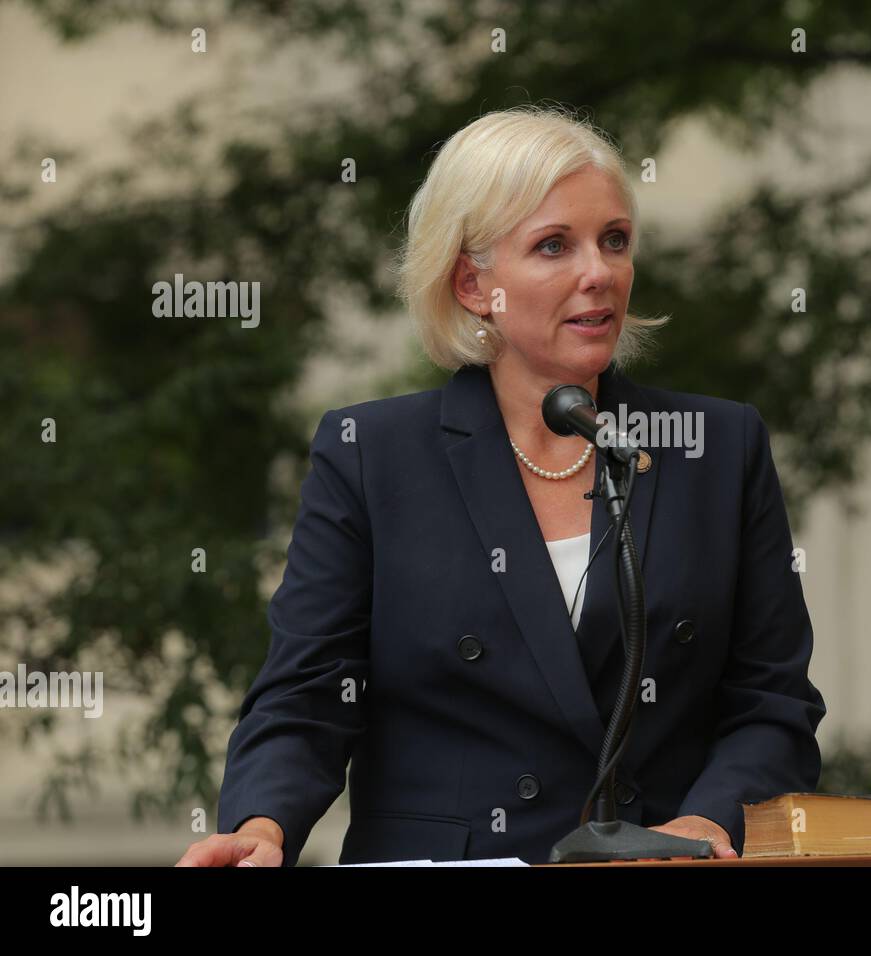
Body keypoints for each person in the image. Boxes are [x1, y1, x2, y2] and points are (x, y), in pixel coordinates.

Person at [177, 105, 825, 867]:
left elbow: (773, 704)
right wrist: (263, 826)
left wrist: (709, 822)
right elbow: (307, 693)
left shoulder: (719, 446)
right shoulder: (369, 454)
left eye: (614, 240)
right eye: (554, 245)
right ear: (474, 283)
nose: (599, 272)